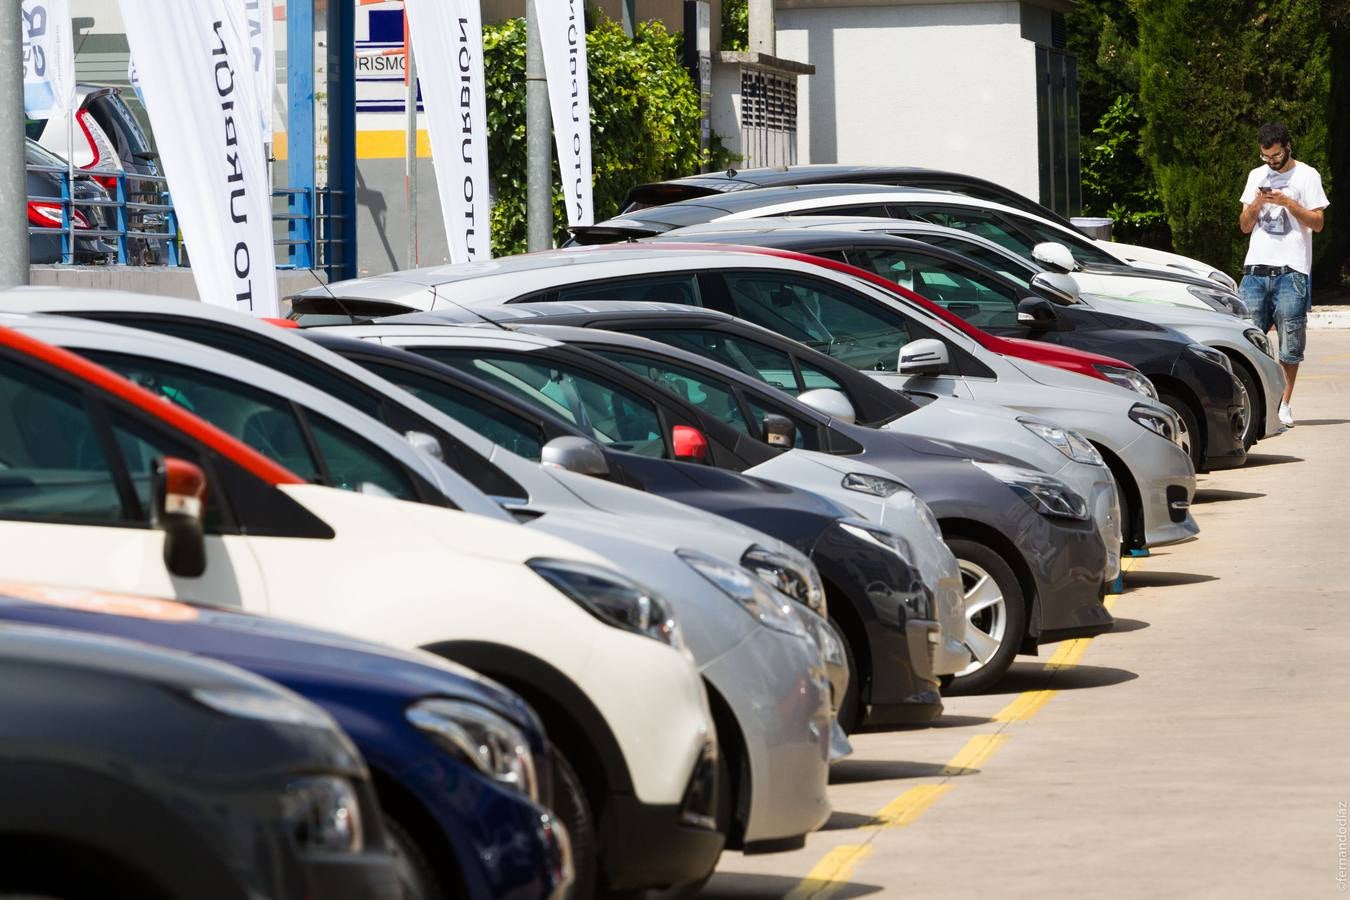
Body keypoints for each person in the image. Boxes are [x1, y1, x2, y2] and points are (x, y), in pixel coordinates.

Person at [1238, 122, 1329, 428]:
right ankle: (1250, 401)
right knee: (1246, 340)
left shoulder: (1307, 175)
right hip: (1255, 270)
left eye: (1275, 156)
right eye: (1266, 157)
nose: (1271, 162)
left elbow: (1317, 223)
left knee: (1291, 344)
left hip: (1292, 271)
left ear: (1288, 146)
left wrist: (1289, 203)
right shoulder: (1256, 176)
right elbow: (1244, 225)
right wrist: (1257, 203)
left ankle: (1284, 405)